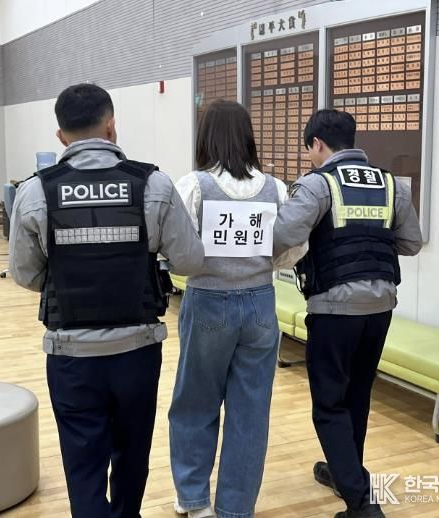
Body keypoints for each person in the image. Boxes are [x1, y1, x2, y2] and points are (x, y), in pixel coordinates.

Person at [8, 83, 204, 518]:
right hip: (137, 351)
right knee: (132, 453)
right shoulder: (152, 184)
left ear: (61, 136)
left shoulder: (37, 191)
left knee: (82, 463)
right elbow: (190, 260)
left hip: (71, 355)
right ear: (112, 127)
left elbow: (25, 273)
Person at [273, 110, 423, 518]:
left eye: (309, 149)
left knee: (328, 404)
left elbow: (282, 235)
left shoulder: (318, 184)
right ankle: (347, 474)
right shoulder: (390, 184)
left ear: (317, 143)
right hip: (381, 307)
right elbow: (412, 243)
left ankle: (361, 505)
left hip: (334, 308)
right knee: (357, 394)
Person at [169, 100, 306, 518]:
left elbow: (177, 250)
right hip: (261, 303)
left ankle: (194, 499)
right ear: (248, 137)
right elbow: (293, 248)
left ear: (205, 137)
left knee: (195, 402)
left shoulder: (193, 186)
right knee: (250, 411)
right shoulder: (276, 188)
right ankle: (236, 508)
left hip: (208, 302)